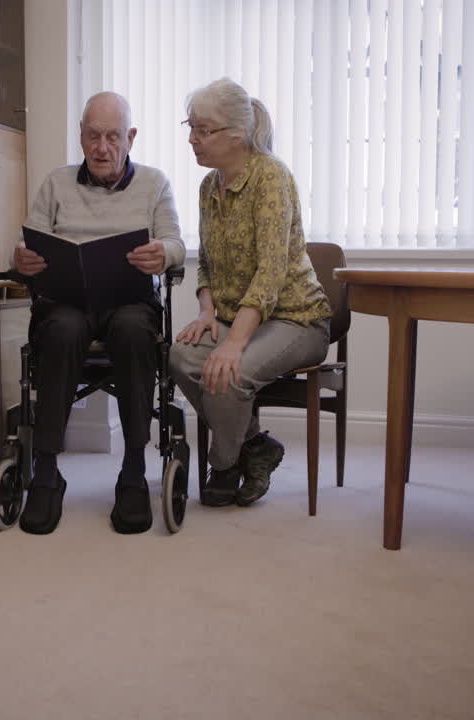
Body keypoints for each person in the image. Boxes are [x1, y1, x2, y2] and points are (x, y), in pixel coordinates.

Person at [12, 91, 184, 535]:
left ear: (130, 138)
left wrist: (162, 253)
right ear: (81, 137)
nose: (102, 147)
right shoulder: (55, 183)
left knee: (132, 330)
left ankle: (131, 471)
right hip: (66, 301)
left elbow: (177, 244)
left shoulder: (155, 183)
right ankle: (47, 469)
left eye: (112, 137)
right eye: (93, 136)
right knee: (62, 330)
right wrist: (22, 260)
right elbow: (29, 243)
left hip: (128, 300)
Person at [170, 78, 331, 508]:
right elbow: (205, 262)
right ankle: (256, 445)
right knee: (182, 357)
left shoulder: (271, 177)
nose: (193, 139)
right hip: (238, 318)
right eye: (191, 127)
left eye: (203, 130)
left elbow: (271, 272)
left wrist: (234, 344)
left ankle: (223, 466)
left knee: (230, 373)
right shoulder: (209, 188)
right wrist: (206, 312)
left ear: (236, 135)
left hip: (298, 319)